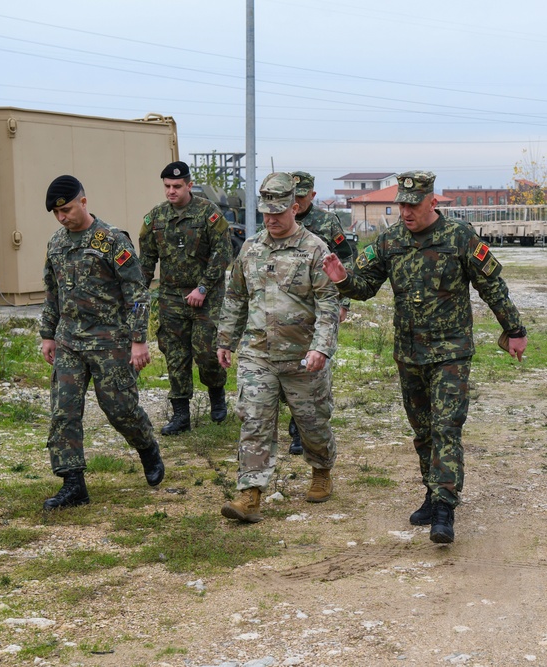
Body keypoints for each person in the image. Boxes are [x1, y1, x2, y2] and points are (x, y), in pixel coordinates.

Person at [322, 170, 527, 544]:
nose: (405, 211)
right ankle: (432, 494)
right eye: (401, 204)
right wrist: (341, 279)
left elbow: (491, 285)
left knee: (446, 425)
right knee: (423, 429)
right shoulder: (390, 241)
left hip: (450, 351)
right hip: (409, 352)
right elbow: (365, 286)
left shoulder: (459, 238)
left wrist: (514, 330)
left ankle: (445, 507)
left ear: (432, 202)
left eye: (412, 204)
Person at [217, 172, 340, 523]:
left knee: (312, 424)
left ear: (295, 208)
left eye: (278, 212)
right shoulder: (250, 249)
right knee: (254, 422)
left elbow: (329, 304)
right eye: (266, 212)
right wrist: (225, 339)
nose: (271, 219)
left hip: (304, 357)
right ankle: (249, 495)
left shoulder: (315, 249)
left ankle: (321, 469)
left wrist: (321, 348)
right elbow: (236, 297)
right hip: (259, 354)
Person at [38, 175, 164, 511]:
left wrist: (139, 340)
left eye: (66, 209)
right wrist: (47, 334)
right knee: (63, 412)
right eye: (56, 213)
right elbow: (53, 292)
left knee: (119, 408)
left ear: (83, 201)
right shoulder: (57, 244)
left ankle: (147, 447)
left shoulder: (111, 240)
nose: (62, 217)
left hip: (109, 343)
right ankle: (73, 484)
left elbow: (136, 293)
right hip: (69, 342)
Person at [139, 161, 232, 436]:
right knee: (175, 355)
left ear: (189, 185)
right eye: (167, 186)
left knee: (206, 353)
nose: (171, 191)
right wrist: (138, 293)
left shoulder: (208, 213)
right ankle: (181, 415)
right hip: (171, 297)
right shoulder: (155, 218)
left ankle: (217, 395)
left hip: (206, 296)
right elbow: (146, 260)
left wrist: (202, 288)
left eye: (177, 186)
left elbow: (222, 252)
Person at [281, 171, 355, 455]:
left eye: (302, 196)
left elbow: (345, 258)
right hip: (286, 305)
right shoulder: (280, 220)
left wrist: (344, 303)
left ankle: (299, 429)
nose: (297, 201)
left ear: (312, 195)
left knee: (311, 368)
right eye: (293, 196)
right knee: (287, 362)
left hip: (319, 304)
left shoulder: (326, 221)